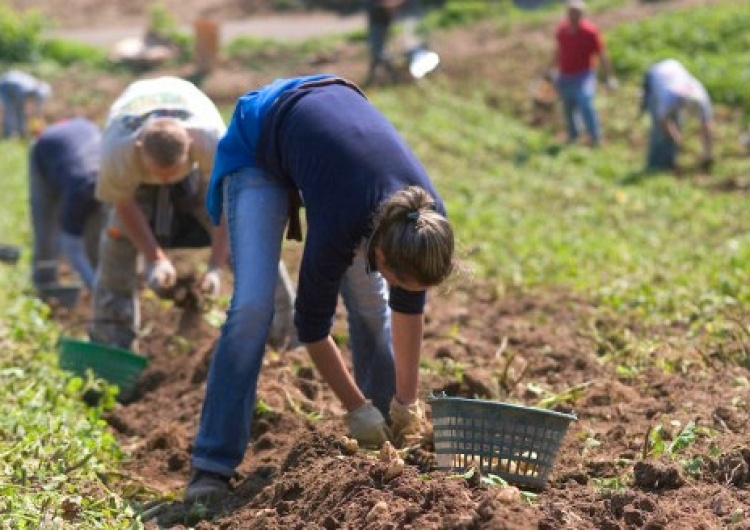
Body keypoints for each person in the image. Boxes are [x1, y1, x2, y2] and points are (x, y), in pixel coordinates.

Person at [185, 75, 455, 504]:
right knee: (253, 307)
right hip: (263, 138)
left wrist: (408, 400)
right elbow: (311, 326)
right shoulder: (341, 223)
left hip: (329, 139)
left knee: (372, 303)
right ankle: (212, 463)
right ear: (378, 253)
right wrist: (354, 408)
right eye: (392, 274)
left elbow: (409, 304)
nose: (398, 284)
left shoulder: (424, 221)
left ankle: (390, 432)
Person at [88, 76, 296, 350]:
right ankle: (113, 341)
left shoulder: (213, 140)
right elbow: (124, 204)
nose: (164, 182)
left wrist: (214, 266)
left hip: (199, 176)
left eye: (170, 173)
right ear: (139, 147)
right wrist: (154, 259)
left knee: (247, 236)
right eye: (157, 174)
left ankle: (288, 331)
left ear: (190, 142)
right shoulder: (118, 151)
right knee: (116, 240)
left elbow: (228, 206)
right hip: (137, 181)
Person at [29, 117, 103, 290]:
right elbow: (70, 245)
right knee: (46, 227)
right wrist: (94, 286)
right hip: (46, 149)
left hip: (82, 135)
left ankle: (97, 274)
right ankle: (44, 283)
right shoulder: (79, 190)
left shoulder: (115, 181)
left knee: (97, 233)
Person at [548, 0, 617, 146]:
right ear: (568, 14)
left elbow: (602, 55)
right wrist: (551, 68)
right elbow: (558, 51)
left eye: (577, 13)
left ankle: (595, 137)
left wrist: (609, 76)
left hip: (583, 75)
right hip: (565, 75)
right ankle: (573, 136)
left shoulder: (590, 32)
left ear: (582, 14)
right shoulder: (562, 30)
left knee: (585, 102)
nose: (574, 16)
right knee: (567, 107)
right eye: (571, 12)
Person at [641, 59, 713, 172]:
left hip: (674, 71)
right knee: (659, 131)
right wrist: (676, 138)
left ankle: (669, 163)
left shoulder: (702, 98)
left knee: (677, 122)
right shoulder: (668, 97)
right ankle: (654, 166)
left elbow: (707, 127)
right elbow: (663, 121)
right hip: (655, 76)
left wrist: (707, 152)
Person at [364, 0, 405, 86]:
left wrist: (389, 6)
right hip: (375, 23)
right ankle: (372, 76)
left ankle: (395, 73)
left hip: (380, 24)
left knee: (378, 52)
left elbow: (389, 4)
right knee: (376, 51)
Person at [0, 70, 51, 139]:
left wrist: (37, 118)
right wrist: (29, 116)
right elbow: (21, 107)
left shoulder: (42, 89)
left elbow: (38, 108)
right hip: (5, 86)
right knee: (11, 111)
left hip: (14, 84)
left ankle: (22, 133)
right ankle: (8, 135)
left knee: (20, 112)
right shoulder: (25, 89)